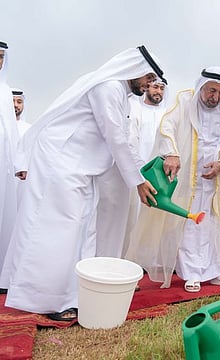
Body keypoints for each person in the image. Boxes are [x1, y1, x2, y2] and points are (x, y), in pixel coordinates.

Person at [0, 46, 166, 320]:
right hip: (61, 164)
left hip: (78, 169)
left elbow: (123, 139)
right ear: (134, 69)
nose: (150, 84)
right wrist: (136, 181)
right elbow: (114, 137)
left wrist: (142, 175)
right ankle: (48, 301)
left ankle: (71, 296)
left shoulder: (120, 95)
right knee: (59, 231)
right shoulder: (108, 88)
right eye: (148, 77)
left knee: (78, 232)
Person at [125, 66, 220, 293]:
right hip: (186, 178)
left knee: (215, 223)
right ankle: (192, 273)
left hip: (214, 180)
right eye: (210, 91)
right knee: (188, 223)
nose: (214, 97)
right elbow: (167, 126)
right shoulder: (185, 100)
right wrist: (172, 152)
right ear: (201, 87)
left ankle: (218, 270)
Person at [95, 79, 168, 259]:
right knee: (127, 219)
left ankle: (149, 261)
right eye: (154, 86)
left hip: (153, 174)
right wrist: (138, 176)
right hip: (131, 172)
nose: (158, 91)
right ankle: (125, 260)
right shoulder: (133, 108)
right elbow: (124, 142)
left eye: (161, 87)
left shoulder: (167, 114)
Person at [0, 41, 19, 294]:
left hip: (4, 166)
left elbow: (11, 132)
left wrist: (18, 162)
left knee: (5, 216)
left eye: (2, 57)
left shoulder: (5, 91)